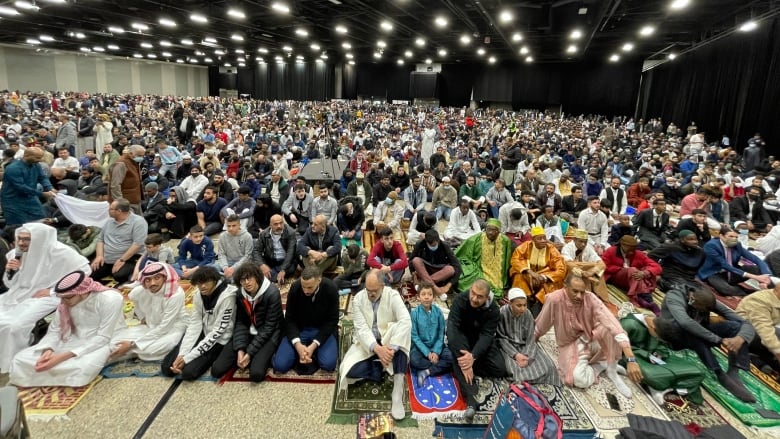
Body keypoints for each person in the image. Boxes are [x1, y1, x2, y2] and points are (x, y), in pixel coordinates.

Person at [534, 272, 643, 398]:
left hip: (592, 337)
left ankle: (612, 371)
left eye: (582, 292)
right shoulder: (554, 299)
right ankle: (600, 366)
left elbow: (612, 324)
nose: (579, 296)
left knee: (611, 327)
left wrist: (631, 358)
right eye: (575, 291)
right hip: (570, 344)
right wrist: (533, 339)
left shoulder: (590, 298)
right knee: (578, 380)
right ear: (565, 286)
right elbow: (543, 323)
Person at [0, 224, 92, 373]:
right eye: (19, 239)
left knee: (13, 326)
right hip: (17, 294)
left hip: (48, 296)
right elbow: (10, 284)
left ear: (39, 239)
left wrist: (53, 290)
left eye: (26, 240)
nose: (21, 243)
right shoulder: (15, 254)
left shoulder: (61, 252)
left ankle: (12, 359)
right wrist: (10, 271)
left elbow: (84, 271)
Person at [8, 271, 124, 387]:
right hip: (72, 339)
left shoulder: (110, 299)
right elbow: (55, 330)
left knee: (82, 368)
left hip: (102, 341)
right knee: (19, 359)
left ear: (82, 292)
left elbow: (103, 337)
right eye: (61, 298)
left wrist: (60, 358)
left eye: (66, 298)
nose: (62, 302)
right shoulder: (64, 303)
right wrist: (48, 350)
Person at [655, 286, 756, 402]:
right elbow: (686, 322)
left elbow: (745, 323)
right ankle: (718, 372)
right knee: (692, 332)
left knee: (735, 327)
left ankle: (734, 370)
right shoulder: (675, 297)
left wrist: (740, 338)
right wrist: (718, 339)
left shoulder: (707, 299)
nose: (704, 312)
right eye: (702, 309)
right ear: (692, 299)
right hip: (674, 334)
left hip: (699, 333)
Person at [339, 270, 411, 420]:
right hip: (369, 343)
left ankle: (397, 390)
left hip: (389, 338)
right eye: (368, 290)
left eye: (374, 291)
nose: (371, 294)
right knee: (349, 370)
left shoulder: (393, 295)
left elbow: (405, 321)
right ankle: (382, 367)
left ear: (383, 286)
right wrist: (378, 349)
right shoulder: (358, 298)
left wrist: (390, 349)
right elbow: (361, 328)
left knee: (403, 338)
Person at [447, 279, 508, 423]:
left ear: (487, 298)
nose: (474, 298)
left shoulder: (493, 309)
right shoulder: (460, 300)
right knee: (460, 357)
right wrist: (465, 360)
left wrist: (472, 357)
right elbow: (452, 329)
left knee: (499, 369)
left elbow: (487, 335)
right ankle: (471, 402)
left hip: (479, 341)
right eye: (473, 293)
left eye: (479, 296)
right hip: (462, 338)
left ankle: (462, 366)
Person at [161, 266, 237, 380]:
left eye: (206, 282)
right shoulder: (198, 294)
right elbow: (194, 324)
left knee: (188, 373)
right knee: (167, 368)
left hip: (219, 338)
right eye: (199, 283)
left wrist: (188, 358)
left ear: (215, 281)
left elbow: (218, 331)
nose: (202, 286)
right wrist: (182, 354)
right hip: (204, 330)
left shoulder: (228, 296)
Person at [211, 262, 283, 382]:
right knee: (216, 370)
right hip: (249, 331)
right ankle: (246, 356)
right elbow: (240, 321)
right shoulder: (240, 293)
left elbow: (269, 327)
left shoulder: (272, 293)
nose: (246, 282)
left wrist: (249, 353)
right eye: (242, 280)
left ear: (257, 277)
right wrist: (240, 349)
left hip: (269, 334)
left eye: (249, 278)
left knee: (256, 374)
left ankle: (267, 354)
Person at [109, 262, 187, 362]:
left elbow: (165, 327)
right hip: (151, 326)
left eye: (157, 278)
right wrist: (142, 317)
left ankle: (132, 350)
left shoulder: (175, 294)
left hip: (173, 328)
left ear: (164, 278)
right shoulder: (141, 290)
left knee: (155, 348)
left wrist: (133, 344)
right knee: (115, 342)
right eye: (148, 280)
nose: (152, 283)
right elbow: (133, 297)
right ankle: (133, 350)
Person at [272, 267, 339, 375]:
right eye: (304, 287)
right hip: (300, 329)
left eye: (310, 287)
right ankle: (303, 352)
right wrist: (297, 344)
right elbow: (289, 319)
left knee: (328, 365)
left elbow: (332, 320)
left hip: (321, 329)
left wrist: (314, 345)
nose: (306, 291)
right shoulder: (295, 288)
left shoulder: (331, 288)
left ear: (319, 280)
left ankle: (311, 351)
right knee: (280, 365)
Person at [496, 288, 560, 386]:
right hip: (509, 348)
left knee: (549, 367)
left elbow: (531, 338)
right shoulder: (502, 313)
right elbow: (501, 338)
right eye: (519, 305)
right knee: (513, 369)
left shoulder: (528, 314)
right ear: (510, 303)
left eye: (524, 305)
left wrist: (526, 356)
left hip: (525, 346)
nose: (523, 309)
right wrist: (516, 355)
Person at [698, 227, 772, 297]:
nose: (734, 239)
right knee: (727, 290)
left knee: (756, 269)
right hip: (714, 273)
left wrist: (765, 276)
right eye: (731, 236)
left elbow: (755, 259)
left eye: (736, 237)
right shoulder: (711, 246)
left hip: (732, 272)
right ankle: (749, 292)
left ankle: (771, 291)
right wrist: (755, 277)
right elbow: (725, 265)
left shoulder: (737, 245)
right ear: (721, 236)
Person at [90, 198, 148, 284]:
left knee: (119, 276)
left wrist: (121, 260)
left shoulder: (138, 222)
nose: (108, 210)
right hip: (106, 258)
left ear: (119, 211)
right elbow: (100, 240)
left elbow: (137, 244)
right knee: (90, 272)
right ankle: (109, 269)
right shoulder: (109, 221)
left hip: (128, 258)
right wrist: (99, 256)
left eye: (111, 209)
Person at [509, 226, 566, 312]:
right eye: (539, 238)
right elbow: (515, 259)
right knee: (518, 278)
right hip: (527, 275)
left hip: (545, 277)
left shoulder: (551, 249)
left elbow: (561, 269)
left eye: (544, 238)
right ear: (533, 239)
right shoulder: (526, 246)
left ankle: (538, 310)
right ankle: (524, 305)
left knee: (549, 286)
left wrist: (544, 277)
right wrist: (529, 272)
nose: (543, 241)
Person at [455, 218, 514, 298]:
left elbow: (506, 263)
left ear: (499, 232)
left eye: (494, 230)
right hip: (479, 269)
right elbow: (460, 254)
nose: (490, 233)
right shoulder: (476, 239)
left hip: (498, 276)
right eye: (488, 229)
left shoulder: (505, 241)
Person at [603, 235, 662, 315]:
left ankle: (641, 299)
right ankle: (648, 300)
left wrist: (645, 273)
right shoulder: (611, 251)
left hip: (633, 279)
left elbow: (657, 267)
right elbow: (604, 266)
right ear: (622, 245)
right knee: (633, 270)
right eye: (630, 248)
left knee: (642, 272)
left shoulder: (637, 254)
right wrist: (621, 269)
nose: (632, 251)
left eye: (634, 249)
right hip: (616, 277)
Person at [410, 283, 453, 387]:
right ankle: (438, 365)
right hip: (421, 348)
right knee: (414, 360)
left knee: (452, 357)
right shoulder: (414, 313)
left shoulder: (438, 312)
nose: (426, 297)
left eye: (429, 294)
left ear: (433, 297)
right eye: (423, 294)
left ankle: (427, 371)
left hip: (437, 346)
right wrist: (428, 353)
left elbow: (441, 333)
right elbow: (415, 336)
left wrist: (436, 352)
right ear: (418, 297)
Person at [0, 147, 56, 225]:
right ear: (26, 155)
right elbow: (21, 187)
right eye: (37, 157)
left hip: (30, 197)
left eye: (40, 157)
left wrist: (50, 188)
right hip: (13, 200)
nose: (39, 160)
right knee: (17, 225)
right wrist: (42, 194)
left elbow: (42, 178)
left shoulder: (36, 165)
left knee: (41, 218)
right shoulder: (13, 168)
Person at [735, 284, 780, 373]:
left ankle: (759, 359)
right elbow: (764, 332)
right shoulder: (760, 300)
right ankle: (754, 356)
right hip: (745, 333)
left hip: (763, 334)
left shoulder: (776, 299)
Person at [410, 229, 461, 300]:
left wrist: (448, 286)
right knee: (416, 261)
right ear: (426, 242)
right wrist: (413, 273)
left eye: (435, 244)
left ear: (438, 240)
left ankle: (422, 284)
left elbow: (457, 266)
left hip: (439, 270)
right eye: (431, 245)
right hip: (425, 268)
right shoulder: (420, 244)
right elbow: (411, 260)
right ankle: (437, 290)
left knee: (451, 269)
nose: (434, 246)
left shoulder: (444, 246)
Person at [561, 229, 609, 302]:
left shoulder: (588, 248)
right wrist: (584, 273)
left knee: (599, 269)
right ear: (574, 240)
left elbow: (602, 264)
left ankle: (600, 297)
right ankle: (586, 297)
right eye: (581, 241)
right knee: (574, 265)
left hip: (589, 273)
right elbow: (569, 265)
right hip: (573, 274)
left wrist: (591, 272)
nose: (583, 244)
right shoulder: (567, 248)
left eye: (585, 242)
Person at [252, 214, 298, 284]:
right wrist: (262, 265)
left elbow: (290, 253)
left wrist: (283, 270)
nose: (279, 226)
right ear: (270, 225)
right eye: (276, 224)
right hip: (271, 261)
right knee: (255, 264)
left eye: (281, 223)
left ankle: (271, 276)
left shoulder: (290, 232)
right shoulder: (264, 234)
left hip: (285, 261)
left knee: (292, 266)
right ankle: (275, 276)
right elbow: (256, 251)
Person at [214, 215, 254, 280]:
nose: (231, 228)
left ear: (239, 225)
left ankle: (226, 279)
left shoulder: (247, 236)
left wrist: (233, 268)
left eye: (234, 226)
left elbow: (247, 256)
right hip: (228, 262)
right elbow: (221, 254)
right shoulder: (222, 236)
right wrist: (225, 268)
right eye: (228, 226)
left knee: (239, 277)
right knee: (211, 269)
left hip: (242, 264)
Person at [108, 145, 145, 214]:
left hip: (135, 201)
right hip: (126, 203)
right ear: (130, 154)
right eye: (139, 155)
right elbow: (115, 185)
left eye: (143, 156)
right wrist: (120, 203)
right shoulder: (121, 164)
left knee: (139, 223)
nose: (141, 158)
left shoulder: (134, 163)